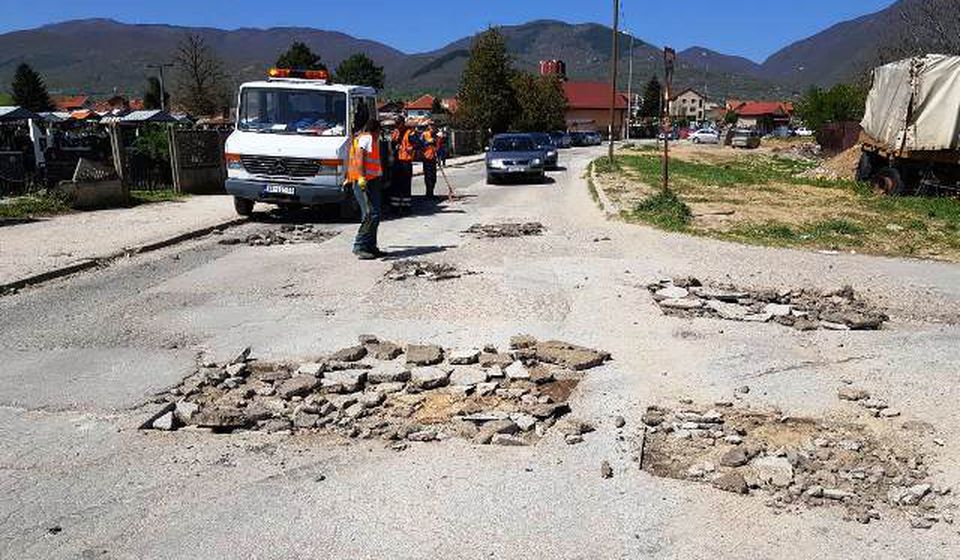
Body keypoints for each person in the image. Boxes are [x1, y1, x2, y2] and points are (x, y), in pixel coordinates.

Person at [345, 117, 385, 260]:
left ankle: (371, 246)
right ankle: (360, 245)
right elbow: (360, 158)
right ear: (375, 130)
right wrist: (362, 177)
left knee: (375, 215)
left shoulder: (366, 138)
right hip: (364, 182)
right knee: (370, 214)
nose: (379, 135)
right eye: (379, 132)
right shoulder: (366, 138)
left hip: (371, 181)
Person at [389, 116, 415, 215]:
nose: (397, 126)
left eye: (398, 124)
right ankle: (395, 207)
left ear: (402, 123)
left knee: (405, 185)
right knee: (395, 184)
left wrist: (411, 148)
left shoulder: (410, 133)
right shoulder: (395, 132)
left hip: (406, 162)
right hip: (397, 161)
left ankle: (406, 207)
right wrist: (394, 145)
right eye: (396, 124)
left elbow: (417, 144)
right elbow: (391, 144)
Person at [421, 122, 439, 199]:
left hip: (433, 158)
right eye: (431, 126)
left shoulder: (436, 136)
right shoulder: (424, 134)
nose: (432, 128)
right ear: (428, 127)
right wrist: (427, 142)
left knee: (433, 177)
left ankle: (431, 192)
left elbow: (438, 147)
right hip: (426, 158)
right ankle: (428, 194)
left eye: (433, 126)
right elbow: (420, 144)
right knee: (428, 177)